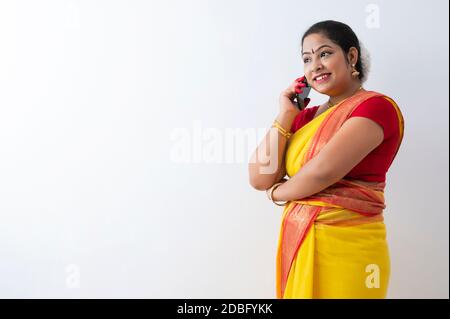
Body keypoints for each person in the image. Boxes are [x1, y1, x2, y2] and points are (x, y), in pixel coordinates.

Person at [248, 20, 405, 298]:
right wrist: (286, 115)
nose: (315, 66)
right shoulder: (305, 118)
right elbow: (260, 176)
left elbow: (322, 173)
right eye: (307, 59)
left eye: (324, 53)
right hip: (302, 239)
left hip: (350, 247)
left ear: (351, 56)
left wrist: (278, 192)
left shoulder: (376, 107)